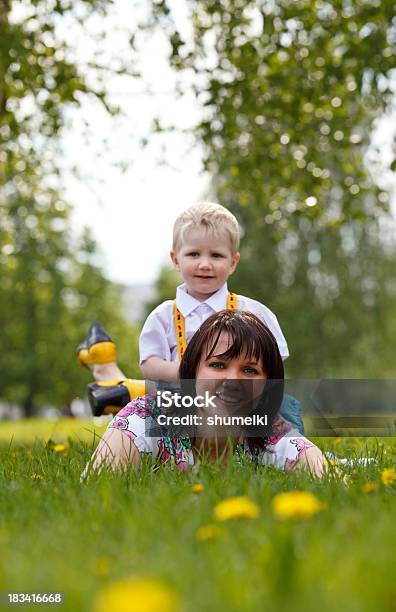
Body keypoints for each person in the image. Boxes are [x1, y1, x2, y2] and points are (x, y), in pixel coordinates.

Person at [78, 202, 303, 431]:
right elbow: (149, 365)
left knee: (286, 409)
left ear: (233, 262)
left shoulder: (253, 312)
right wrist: (187, 371)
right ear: (176, 260)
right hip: (183, 404)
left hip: (241, 404)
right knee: (149, 412)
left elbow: (275, 364)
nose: (204, 264)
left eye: (216, 255)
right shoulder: (164, 316)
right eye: (194, 254)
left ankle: (298, 452)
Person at [82, 311, 324, 479]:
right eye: (218, 365)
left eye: (250, 370)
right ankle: (101, 363)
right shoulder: (145, 418)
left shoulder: (271, 433)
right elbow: (93, 497)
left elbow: (328, 479)